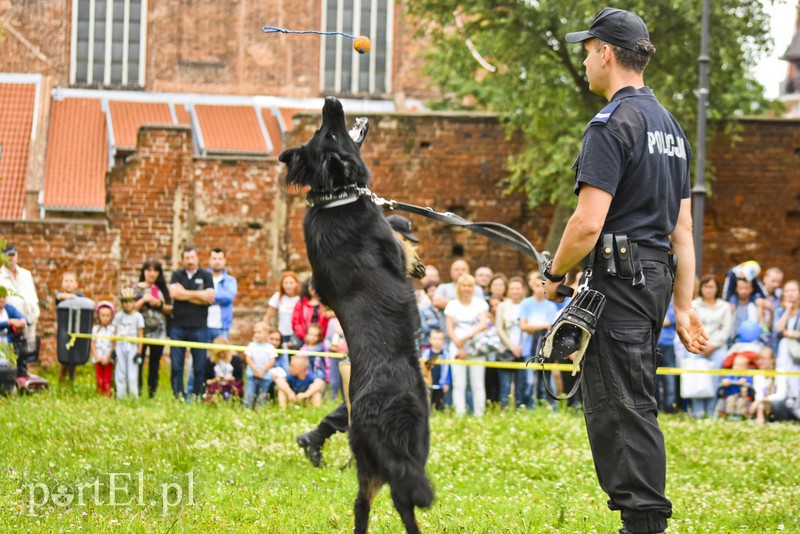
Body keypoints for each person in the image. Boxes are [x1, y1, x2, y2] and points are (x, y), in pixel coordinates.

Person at [546, 9, 708, 533]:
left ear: (607, 53)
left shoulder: (613, 124)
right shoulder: (671, 128)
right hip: (653, 279)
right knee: (633, 397)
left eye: (589, 50)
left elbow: (587, 224)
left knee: (619, 405)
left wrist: (554, 272)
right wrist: (682, 306)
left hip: (619, 283)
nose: (587, 60)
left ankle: (643, 523)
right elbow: (682, 231)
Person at [169, 246, 215, 400]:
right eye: (187, 258)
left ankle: (196, 395)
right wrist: (198, 295)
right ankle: (179, 396)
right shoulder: (177, 275)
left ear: (198, 259)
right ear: (182, 260)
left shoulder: (206, 276)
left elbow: (209, 298)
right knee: (176, 366)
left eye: (192, 258)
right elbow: (174, 294)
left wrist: (185, 294)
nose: (190, 261)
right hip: (178, 327)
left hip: (199, 327)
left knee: (199, 366)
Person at [445, 273, 489, 417]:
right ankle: (459, 414)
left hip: (476, 347)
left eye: (470, 285)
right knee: (459, 384)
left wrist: (467, 336)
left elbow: (483, 324)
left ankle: (479, 414)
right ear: (459, 287)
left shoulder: (480, 303)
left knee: (477, 383)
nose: (467, 288)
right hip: (457, 347)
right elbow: (450, 328)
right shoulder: (452, 304)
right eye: (464, 285)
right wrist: (460, 345)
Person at [689, 275, 732, 417]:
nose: (708, 290)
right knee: (697, 378)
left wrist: (712, 345)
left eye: (711, 287)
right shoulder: (693, 305)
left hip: (717, 347)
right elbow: (690, 326)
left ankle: (712, 411)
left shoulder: (724, 306)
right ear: (701, 288)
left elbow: (726, 330)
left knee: (714, 379)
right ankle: (697, 412)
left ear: (717, 289)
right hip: (696, 345)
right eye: (706, 286)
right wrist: (700, 344)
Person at [134, 260, 173, 398]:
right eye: (149, 270)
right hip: (140, 332)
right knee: (137, 361)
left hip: (158, 332)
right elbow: (130, 308)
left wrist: (159, 304)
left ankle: (152, 393)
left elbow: (171, 309)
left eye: (155, 271)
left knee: (154, 364)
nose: (151, 274)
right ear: (144, 271)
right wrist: (144, 300)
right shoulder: (136, 288)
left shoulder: (162, 288)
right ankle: (136, 390)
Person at [520, 270, 558, 408]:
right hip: (529, 347)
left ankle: (550, 408)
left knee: (546, 381)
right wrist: (542, 325)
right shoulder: (525, 303)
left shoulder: (551, 306)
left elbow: (552, 328)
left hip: (545, 348)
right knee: (530, 381)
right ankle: (529, 407)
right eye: (536, 285)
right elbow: (523, 326)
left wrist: (538, 326)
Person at [0, 245, 40, 362]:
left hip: (27, 320)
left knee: (27, 355)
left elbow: (33, 297)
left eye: (13, 255)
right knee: (10, 357)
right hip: (10, 324)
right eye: (7, 256)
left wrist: (33, 316)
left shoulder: (26, 274)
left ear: (17, 256)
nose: (10, 258)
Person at [495, 276, 526, 409]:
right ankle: (505, 410)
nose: (515, 291)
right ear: (508, 290)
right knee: (505, 385)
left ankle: (519, 410)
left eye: (518, 288)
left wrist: (520, 347)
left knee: (520, 385)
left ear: (523, 290)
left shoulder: (527, 304)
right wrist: (512, 347)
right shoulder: (502, 306)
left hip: (523, 351)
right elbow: (499, 329)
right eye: (512, 288)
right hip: (506, 351)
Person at [54, 272, 87, 383]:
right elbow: (59, 297)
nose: (68, 284)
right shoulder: (60, 296)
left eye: (71, 281)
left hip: (76, 331)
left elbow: (89, 303)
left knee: (74, 360)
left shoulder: (80, 297)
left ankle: (72, 384)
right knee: (64, 361)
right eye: (66, 281)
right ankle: (61, 385)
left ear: (76, 284)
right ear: (62, 284)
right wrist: (72, 297)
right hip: (63, 332)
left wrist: (76, 298)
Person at [113, 288, 144, 399]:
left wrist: (139, 352)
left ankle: (133, 396)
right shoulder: (118, 316)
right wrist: (113, 349)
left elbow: (140, 335)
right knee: (120, 372)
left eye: (130, 301)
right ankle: (120, 396)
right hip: (120, 345)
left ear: (134, 302)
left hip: (132, 346)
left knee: (132, 373)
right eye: (125, 302)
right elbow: (115, 332)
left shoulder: (138, 317)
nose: (127, 304)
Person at [243, 322, 280, 408]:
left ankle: (261, 410)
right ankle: (247, 409)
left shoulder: (270, 348)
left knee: (263, 395)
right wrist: (255, 369)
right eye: (255, 332)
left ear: (266, 334)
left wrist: (263, 371)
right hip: (252, 374)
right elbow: (248, 358)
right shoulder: (251, 345)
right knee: (249, 393)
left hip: (265, 376)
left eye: (259, 332)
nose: (256, 335)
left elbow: (272, 361)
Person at [206, 248, 238, 341]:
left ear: (225, 261)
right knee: (201, 355)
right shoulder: (203, 277)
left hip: (222, 327)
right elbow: (198, 296)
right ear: (209, 260)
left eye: (220, 259)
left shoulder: (230, 280)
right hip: (203, 325)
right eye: (214, 258)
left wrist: (209, 298)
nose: (217, 261)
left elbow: (229, 297)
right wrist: (219, 299)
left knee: (222, 355)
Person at [263, 271, 301, 346]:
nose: (288, 286)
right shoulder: (278, 296)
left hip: (297, 335)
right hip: (282, 335)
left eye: (291, 283)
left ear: (296, 283)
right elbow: (268, 316)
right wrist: (264, 331)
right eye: (285, 283)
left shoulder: (301, 298)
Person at [0, 286, 30, 380]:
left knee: (9, 368)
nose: (2, 299)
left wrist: (22, 321)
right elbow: (8, 322)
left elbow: (24, 318)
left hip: (7, 345)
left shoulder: (8, 309)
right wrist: (8, 322)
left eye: (4, 297)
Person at [291, 277, 329, 348]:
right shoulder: (301, 303)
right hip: (303, 340)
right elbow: (296, 322)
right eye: (311, 286)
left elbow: (327, 322)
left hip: (321, 340)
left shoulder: (326, 304)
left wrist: (317, 337)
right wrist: (305, 336)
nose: (314, 289)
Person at [714, 353, 755, 419]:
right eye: (735, 364)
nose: (737, 367)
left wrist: (745, 381)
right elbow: (726, 379)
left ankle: (739, 416)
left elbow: (749, 383)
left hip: (742, 396)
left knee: (741, 402)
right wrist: (726, 381)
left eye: (740, 365)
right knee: (730, 400)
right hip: (731, 395)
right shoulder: (731, 374)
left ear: (746, 367)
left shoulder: (747, 376)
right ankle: (730, 415)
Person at [204, 336, 243, 401]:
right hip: (216, 387)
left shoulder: (235, 359)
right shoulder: (210, 361)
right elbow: (206, 380)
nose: (221, 355)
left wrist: (231, 379)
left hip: (230, 387)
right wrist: (216, 380)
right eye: (219, 353)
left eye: (223, 352)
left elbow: (239, 378)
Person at [420, 329, 450, 411]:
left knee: (440, 406)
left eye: (440, 339)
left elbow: (448, 371)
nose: (437, 341)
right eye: (435, 338)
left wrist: (447, 383)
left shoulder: (446, 355)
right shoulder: (425, 354)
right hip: (429, 385)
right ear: (430, 340)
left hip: (440, 386)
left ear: (443, 341)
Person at [90, 301, 116, 397]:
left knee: (107, 379)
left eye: (107, 315)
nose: (105, 318)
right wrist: (97, 357)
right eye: (103, 315)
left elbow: (113, 344)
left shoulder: (113, 329)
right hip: (98, 358)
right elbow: (92, 343)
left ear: (111, 316)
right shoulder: (95, 329)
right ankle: (100, 395)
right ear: (98, 316)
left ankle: (108, 395)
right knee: (99, 379)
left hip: (108, 359)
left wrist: (108, 357)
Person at [656, 298, 677, 413]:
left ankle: (670, 408)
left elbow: (668, 320)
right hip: (652, 344)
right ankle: (656, 408)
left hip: (668, 345)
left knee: (669, 379)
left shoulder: (674, 300)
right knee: (652, 380)